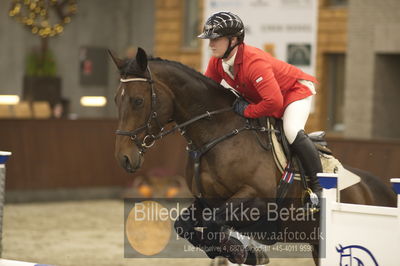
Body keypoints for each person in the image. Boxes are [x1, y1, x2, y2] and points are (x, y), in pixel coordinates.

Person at [198, 11, 322, 201]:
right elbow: (208, 91)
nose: (210, 44)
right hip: (268, 97)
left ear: (233, 40)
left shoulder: (254, 62)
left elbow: (274, 102)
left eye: (216, 39)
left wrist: (247, 111)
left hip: (295, 91)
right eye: (209, 39)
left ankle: (319, 188)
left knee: (291, 130)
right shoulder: (217, 62)